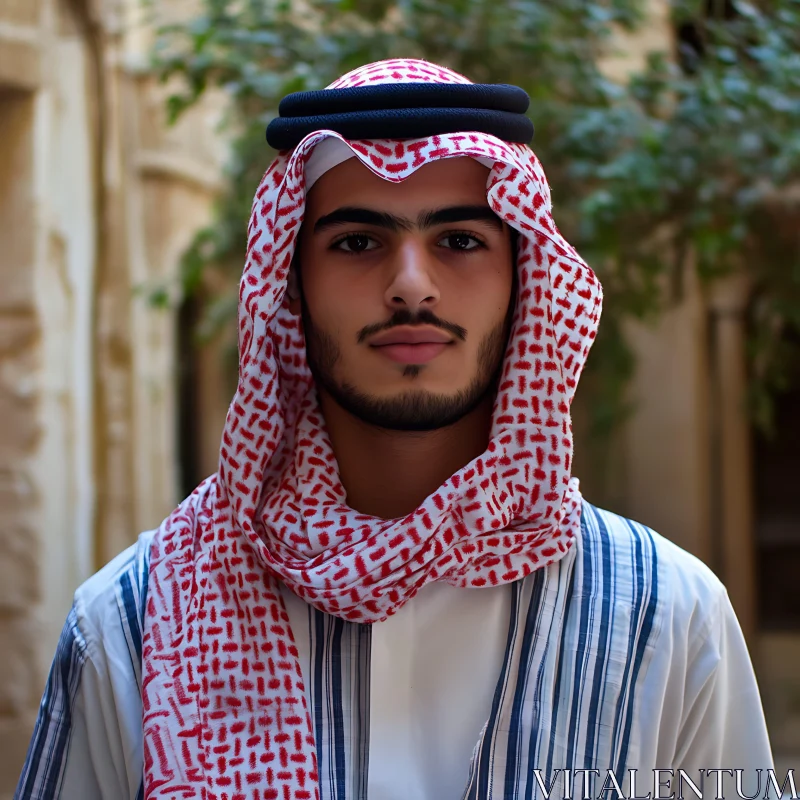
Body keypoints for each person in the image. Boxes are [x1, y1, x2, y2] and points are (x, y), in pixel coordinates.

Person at [16, 59, 773, 800]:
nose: (412, 283)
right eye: (357, 242)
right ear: (290, 284)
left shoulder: (664, 616)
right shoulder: (132, 624)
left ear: (524, 280)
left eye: (460, 240)